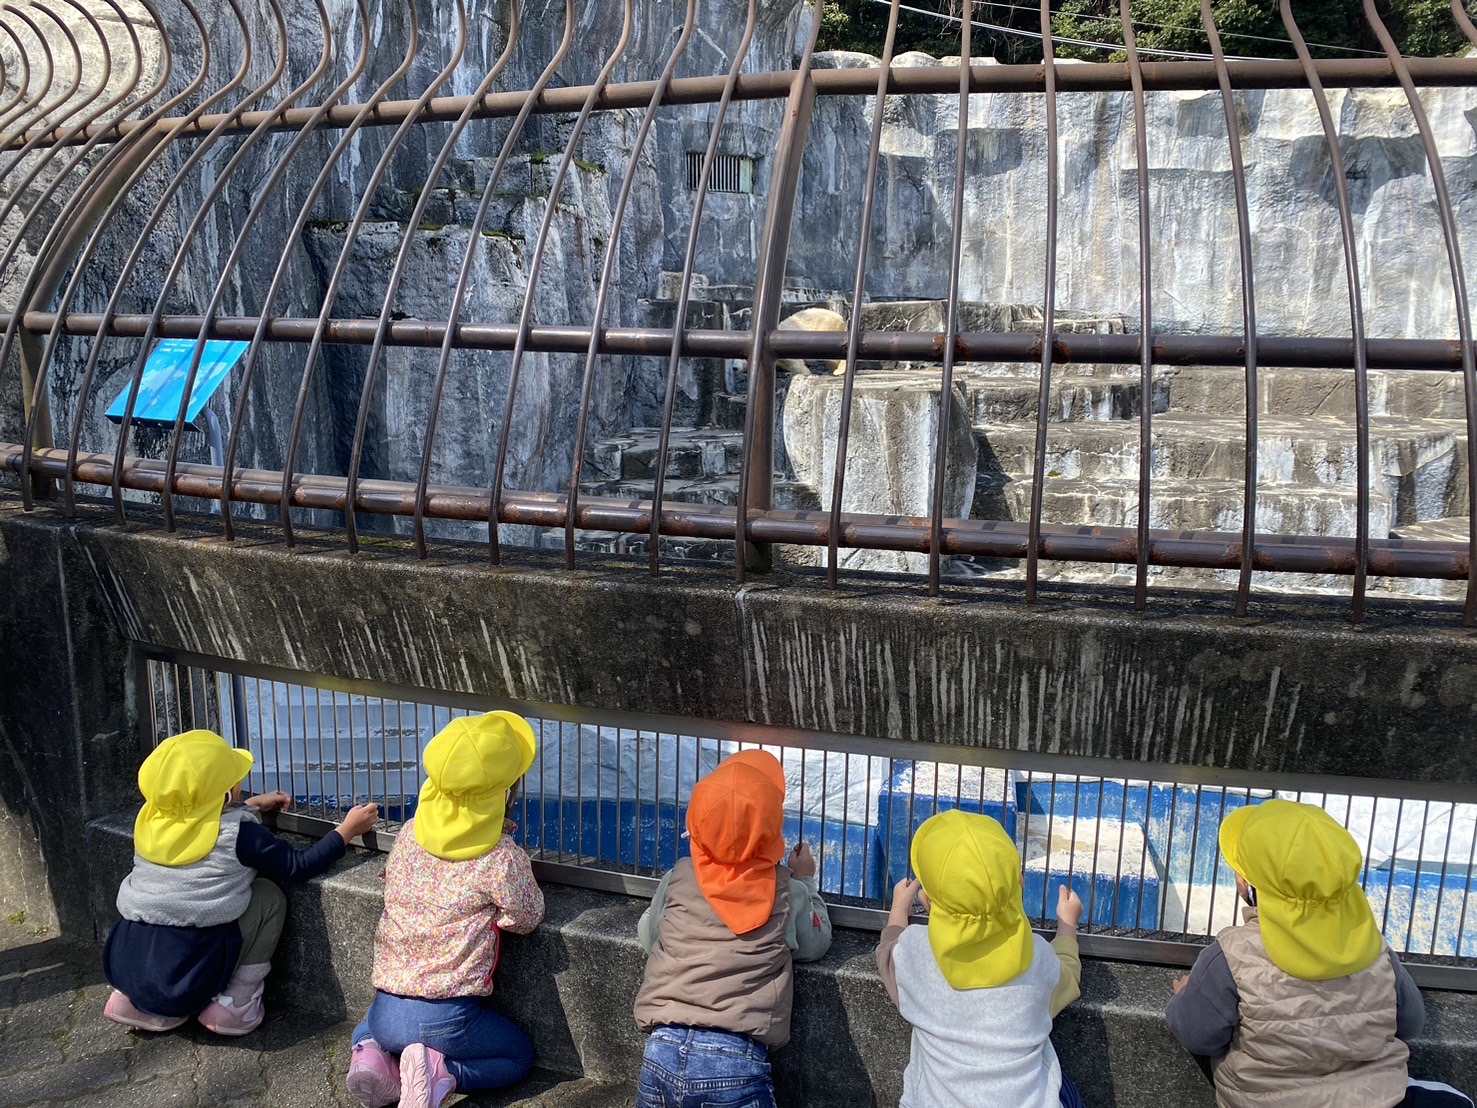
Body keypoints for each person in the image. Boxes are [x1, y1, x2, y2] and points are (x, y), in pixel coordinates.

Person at [1165, 798, 1472, 1108]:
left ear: (1248, 885)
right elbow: (1411, 1022)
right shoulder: (1372, 946)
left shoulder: (1231, 954)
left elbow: (1197, 1034)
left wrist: (1186, 998)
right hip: (1377, 1098)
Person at [103, 728, 379, 1035]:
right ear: (226, 794)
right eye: (234, 781)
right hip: (188, 979)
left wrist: (250, 805)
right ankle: (235, 1005)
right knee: (268, 895)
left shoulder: (152, 820)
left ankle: (132, 1000)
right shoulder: (240, 834)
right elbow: (297, 866)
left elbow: (197, 816)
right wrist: (347, 830)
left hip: (125, 965)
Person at [345, 712, 544, 1108]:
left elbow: (391, 881)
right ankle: (442, 1072)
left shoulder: (409, 834)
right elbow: (527, 917)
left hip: (385, 1011)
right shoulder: (501, 858)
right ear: (505, 792)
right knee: (519, 1057)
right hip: (450, 1018)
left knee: (374, 1027)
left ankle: (370, 1052)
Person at [632, 748, 833, 1108]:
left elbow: (649, 936)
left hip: (660, 1051)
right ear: (771, 827)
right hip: (736, 1060)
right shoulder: (787, 890)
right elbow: (815, 943)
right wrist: (807, 881)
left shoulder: (678, 876)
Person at [876, 808, 1087, 1108]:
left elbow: (886, 951)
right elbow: (1068, 974)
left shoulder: (913, 955)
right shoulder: (1037, 959)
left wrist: (899, 907)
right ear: (1019, 885)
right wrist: (1067, 925)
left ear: (927, 902)